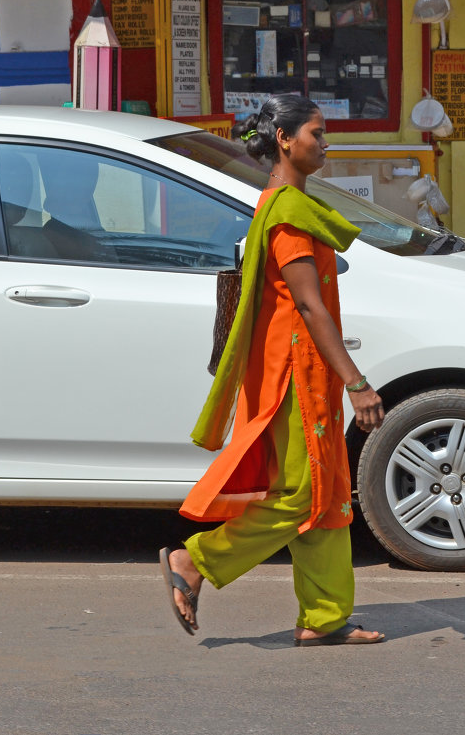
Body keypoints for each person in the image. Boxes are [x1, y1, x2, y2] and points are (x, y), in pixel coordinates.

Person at [159, 94, 385, 647]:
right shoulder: (286, 213)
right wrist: (357, 382)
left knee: (328, 492)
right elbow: (309, 306)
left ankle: (325, 616)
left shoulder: (291, 204)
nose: (325, 142)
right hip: (294, 376)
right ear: (284, 139)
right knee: (301, 495)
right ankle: (195, 561)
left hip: (310, 372)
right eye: (316, 132)